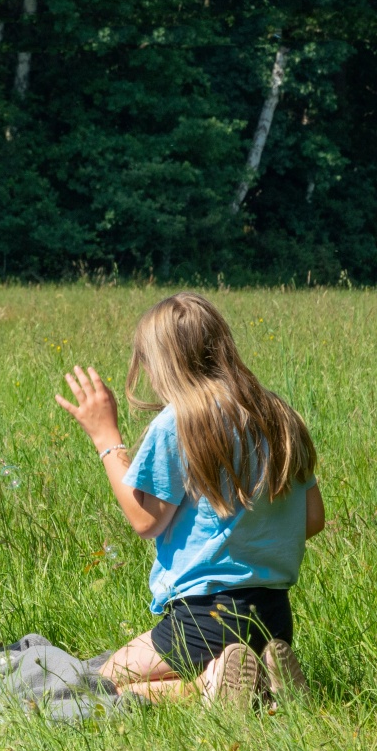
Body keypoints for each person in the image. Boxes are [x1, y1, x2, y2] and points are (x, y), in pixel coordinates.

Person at [56, 291, 325, 705]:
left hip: (204, 618)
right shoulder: (279, 414)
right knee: (116, 680)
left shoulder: (180, 421)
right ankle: (267, 681)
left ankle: (208, 683)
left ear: (158, 362)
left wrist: (105, 437)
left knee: (100, 683)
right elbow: (313, 519)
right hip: (274, 616)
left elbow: (146, 520)